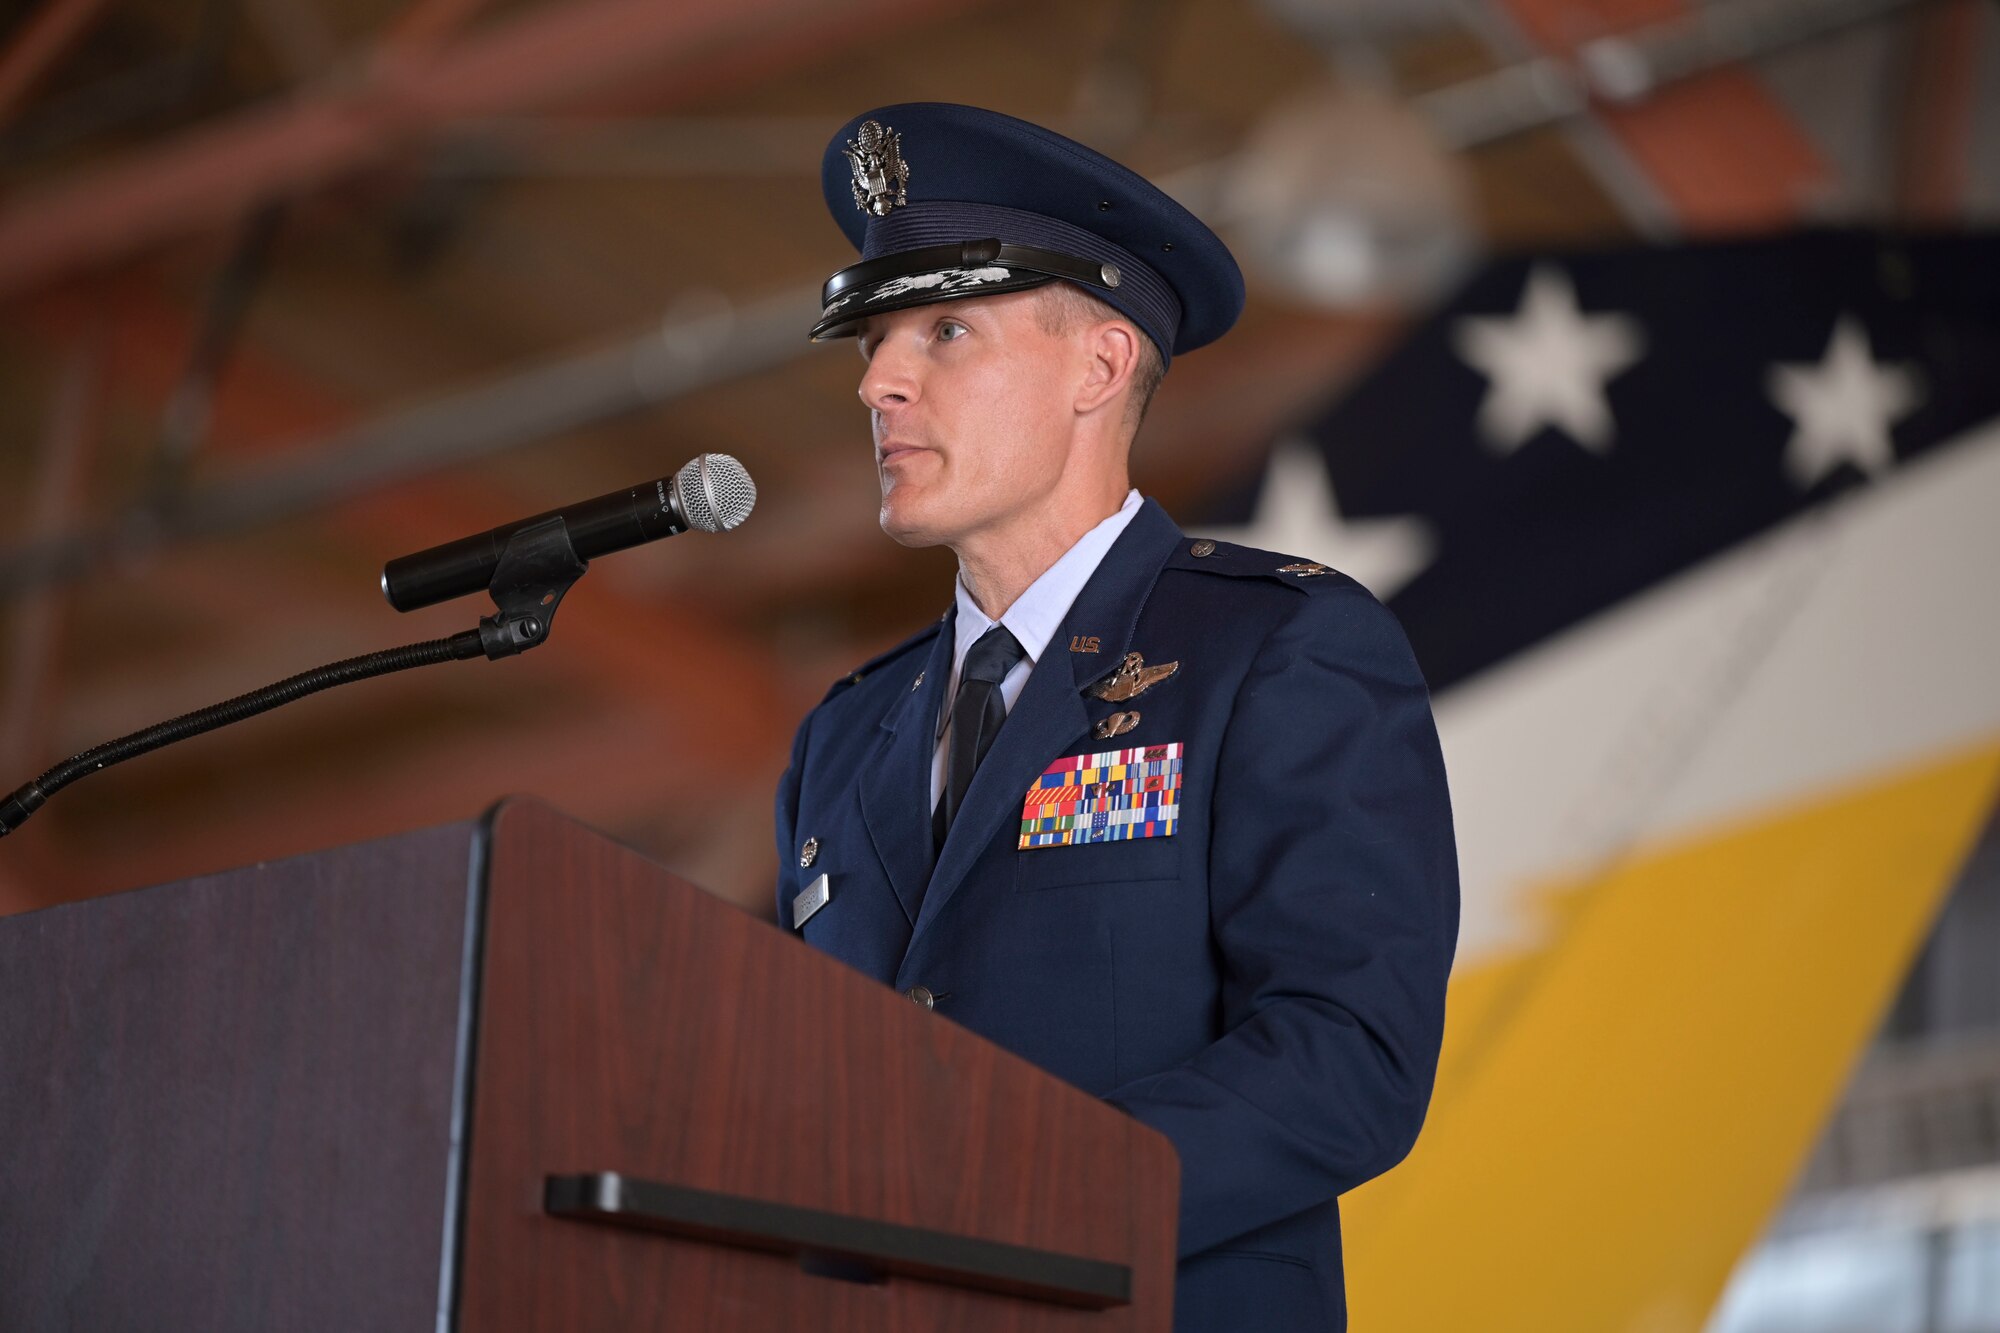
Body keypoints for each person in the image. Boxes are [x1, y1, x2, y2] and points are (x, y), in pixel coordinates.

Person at [773, 102, 1458, 1332]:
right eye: (874, 340)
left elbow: (1347, 1053)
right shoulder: (843, 738)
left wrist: (1020, 1197)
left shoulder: (1272, 647)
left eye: (943, 328)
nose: (877, 380)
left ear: (1097, 365)